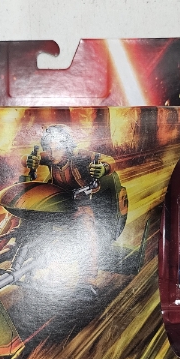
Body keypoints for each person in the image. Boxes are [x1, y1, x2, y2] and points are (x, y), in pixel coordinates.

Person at [22, 125, 116, 294]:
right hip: (57, 205)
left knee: (86, 229)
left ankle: (87, 280)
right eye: (49, 148)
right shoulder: (50, 156)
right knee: (24, 217)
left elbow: (109, 160)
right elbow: (26, 158)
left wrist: (104, 168)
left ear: (66, 146)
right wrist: (29, 160)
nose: (52, 153)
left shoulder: (80, 156)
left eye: (57, 148)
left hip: (81, 206)